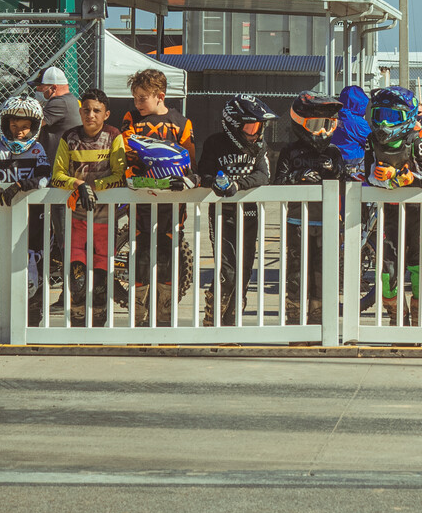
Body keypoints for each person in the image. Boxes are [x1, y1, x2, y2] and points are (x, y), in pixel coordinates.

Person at [120, 68, 196, 324]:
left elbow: (190, 161)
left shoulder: (182, 122)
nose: (137, 103)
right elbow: (126, 152)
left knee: (167, 252)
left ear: (160, 96)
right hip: (141, 197)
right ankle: (138, 316)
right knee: (141, 252)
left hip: (172, 203)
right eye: (135, 97)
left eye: (142, 97)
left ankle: (164, 317)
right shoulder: (130, 118)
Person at [357, 86, 422, 324]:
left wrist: (402, 176)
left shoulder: (415, 141)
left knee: (420, 270)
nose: (384, 123)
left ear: (409, 117)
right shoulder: (372, 141)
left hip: (418, 215)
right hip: (389, 214)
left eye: (392, 117)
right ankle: (397, 317)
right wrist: (378, 176)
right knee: (386, 273)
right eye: (380, 115)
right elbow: (367, 172)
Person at [196, 94, 275, 326]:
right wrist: (216, 182)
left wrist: (237, 184)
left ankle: (232, 323)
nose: (256, 132)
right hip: (223, 214)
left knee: (244, 272)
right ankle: (213, 319)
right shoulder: (214, 143)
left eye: (259, 127)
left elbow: (264, 175)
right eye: (250, 126)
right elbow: (204, 172)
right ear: (233, 125)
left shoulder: (260, 145)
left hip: (249, 213)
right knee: (228, 271)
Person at [51, 88, 125, 326]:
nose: (90, 114)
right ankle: (78, 324)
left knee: (101, 280)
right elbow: (57, 175)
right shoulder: (69, 137)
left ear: (106, 114)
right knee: (77, 280)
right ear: (80, 111)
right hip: (76, 219)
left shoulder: (114, 136)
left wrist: (94, 187)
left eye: (97, 111)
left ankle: (99, 328)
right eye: (86, 110)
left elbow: (120, 174)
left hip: (104, 220)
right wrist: (79, 184)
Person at [274, 91, 345, 324]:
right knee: (296, 274)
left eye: (328, 124)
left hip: (328, 222)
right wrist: (297, 176)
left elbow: (345, 183)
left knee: (322, 274)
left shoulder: (334, 153)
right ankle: (294, 321)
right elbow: (278, 183)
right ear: (300, 123)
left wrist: (335, 172)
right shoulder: (289, 151)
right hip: (297, 223)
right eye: (315, 125)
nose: (323, 132)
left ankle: (319, 323)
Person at [0, 95, 52, 322]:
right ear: (5, 124)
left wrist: (21, 185)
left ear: (34, 126)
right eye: (14, 126)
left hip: (34, 226)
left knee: (34, 273)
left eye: (24, 127)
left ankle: (33, 320)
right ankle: (10, 322)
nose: (19, 132)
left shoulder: (37, 149)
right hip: (4, 224)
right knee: (10, 271)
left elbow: (45, 178)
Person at [36, 66, 80, 162]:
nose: (37, 89)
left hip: (58, 163)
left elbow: (33, 124)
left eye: (41, 86)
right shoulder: (70, 99)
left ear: (54, 87)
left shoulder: (60, 102)